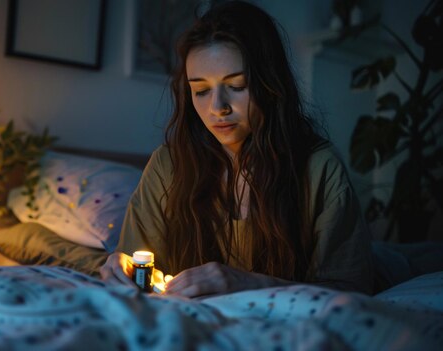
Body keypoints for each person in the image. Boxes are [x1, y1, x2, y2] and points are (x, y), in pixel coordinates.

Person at [100, 0, 373, 298]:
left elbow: (351, 288)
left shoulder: (319, 168)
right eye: (201, 91)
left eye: (238, 85)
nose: (217, 108)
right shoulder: (168, 165)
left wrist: (251, 282)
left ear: (271, 85)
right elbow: (138, 267)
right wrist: (122, 267)